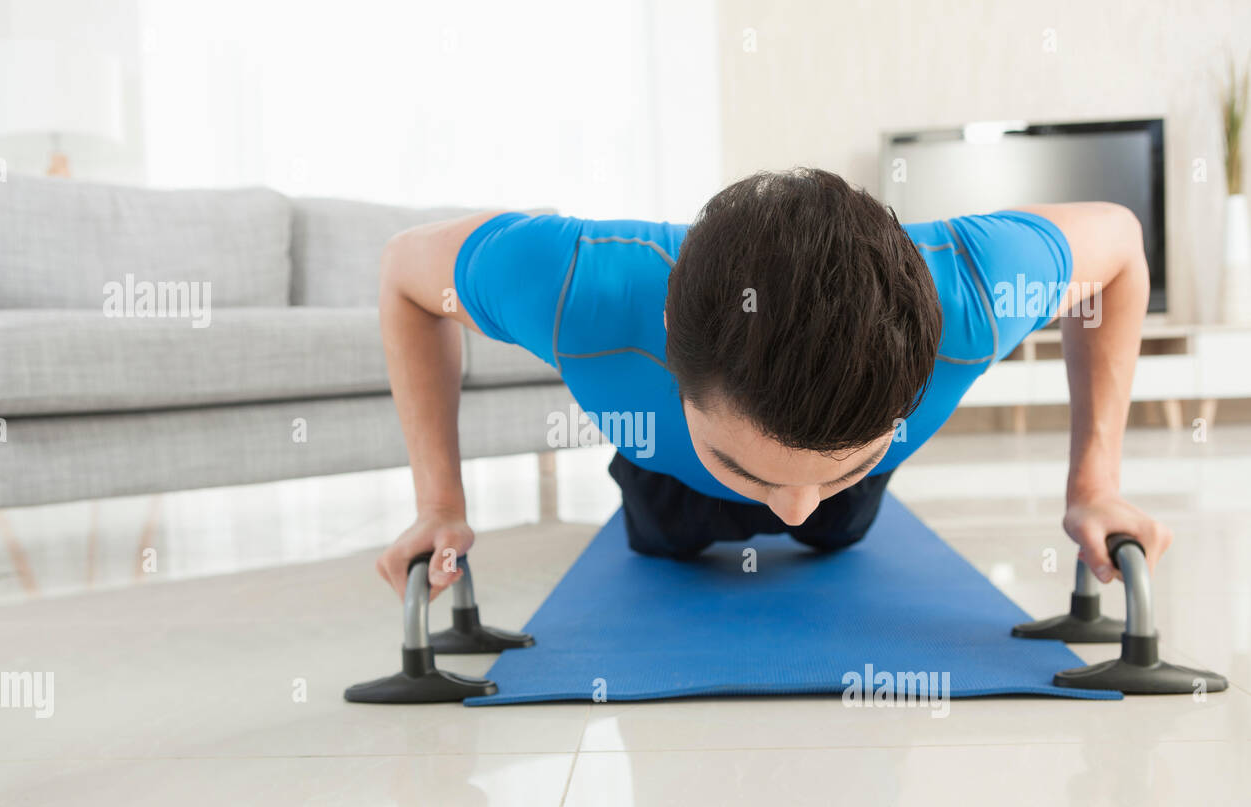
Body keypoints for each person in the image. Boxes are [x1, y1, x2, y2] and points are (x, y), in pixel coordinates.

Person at [374, 168, 1170, 600]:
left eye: (842, 463)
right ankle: (764, 470)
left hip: (853, 502)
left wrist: (1094, 484)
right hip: (667, 480)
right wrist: (439, 507)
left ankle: (820, 474)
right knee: (668, 543)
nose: (788, 504)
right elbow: (407, 276)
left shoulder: (978, 289)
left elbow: (1123, 248)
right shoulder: (572, 283)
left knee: (830, 527)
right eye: (750, 471)